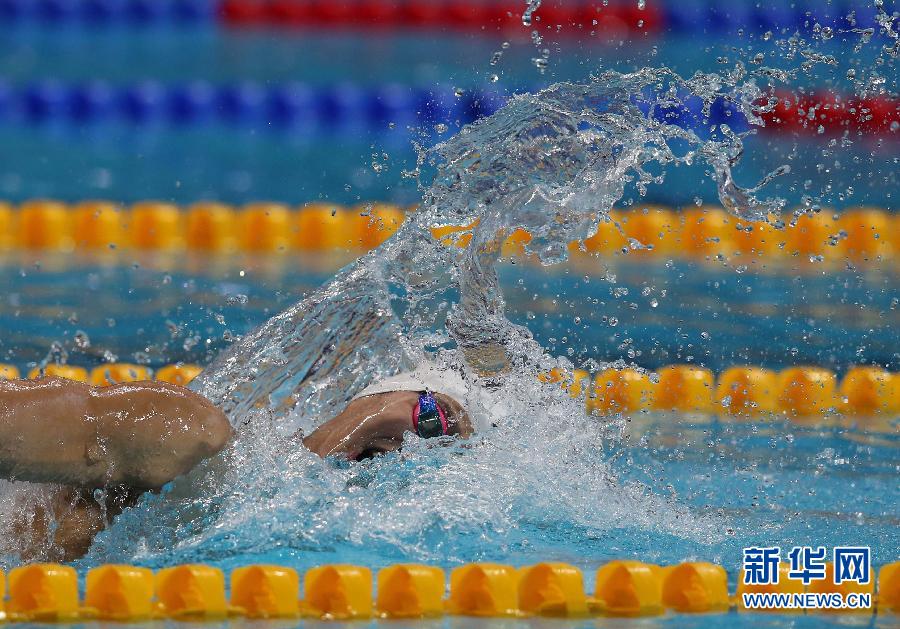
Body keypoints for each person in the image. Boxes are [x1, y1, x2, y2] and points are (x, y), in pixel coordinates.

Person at [0, 364, 473, 561]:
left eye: (438, 448)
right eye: (431, 416)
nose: (411, 447)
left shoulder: (256, 533)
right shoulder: (189, 430)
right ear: (379, 395)